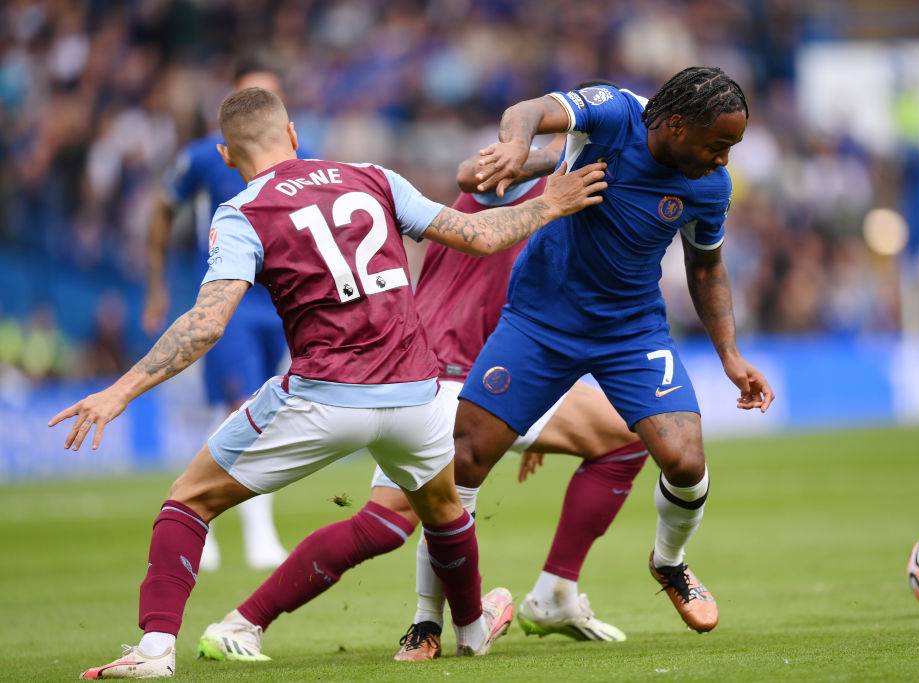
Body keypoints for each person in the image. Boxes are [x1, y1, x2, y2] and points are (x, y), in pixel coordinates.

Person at [50, 86, 607, 678]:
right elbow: (481, 235)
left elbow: (207, 323)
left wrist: (119, 391)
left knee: (188, 501)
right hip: (416, 397)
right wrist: (551, 204)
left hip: (324, 397)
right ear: (293, 134)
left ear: (225, 156)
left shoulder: (241, 212)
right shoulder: (373, 177)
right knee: (446, 511)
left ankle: (155, 651)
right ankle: (471, 629)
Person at [194, 131, 647, 666]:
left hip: (467, 371)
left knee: (388, 523)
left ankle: (248, 623)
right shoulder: (524, 183)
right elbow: (471, 175)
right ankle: (482, 612)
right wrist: (559, 157)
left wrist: (535, 398)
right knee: (400, 518)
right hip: (448, 370)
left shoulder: (574, 204)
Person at [451, 67, 776, 635]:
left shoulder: (710, 186)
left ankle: (669, 563)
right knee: (466, 458)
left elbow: (706, 266)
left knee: (686, 462)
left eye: (733, 147)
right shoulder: (615, 112)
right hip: (540, 321)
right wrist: (517, 148)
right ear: (677, 124)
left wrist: (729, 354)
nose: (724, 160)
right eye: (718, 144)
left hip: (631, 332)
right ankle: (443, 616)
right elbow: (527, 110)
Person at [142, 53, 306, 571]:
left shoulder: (303, 155)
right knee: (243, 405)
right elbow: (163, 209)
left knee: (259, 407)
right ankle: (249, 531)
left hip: (282, 303)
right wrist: (156, 285)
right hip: (229, 302)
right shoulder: (202, 157)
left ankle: (199, 515)